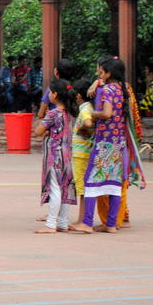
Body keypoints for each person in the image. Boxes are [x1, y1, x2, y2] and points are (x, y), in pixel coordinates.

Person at [71, 57, 131, 234]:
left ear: (108, 73)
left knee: (91, 180)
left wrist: (92, 113)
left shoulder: (106, 90)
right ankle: (111, 224)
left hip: (104, 142)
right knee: (113, 184)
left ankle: (87, 222)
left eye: (101, 71)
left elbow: (106, 113)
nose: (98, 73)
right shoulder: (122, 89)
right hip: (118, 142)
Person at [33, 79, 78, 233]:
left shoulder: (53, 113)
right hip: (66, 154)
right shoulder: (69, 113)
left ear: (55, 94)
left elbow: (38, 131)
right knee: (65, 186)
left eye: (50, 92)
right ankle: (63, 222)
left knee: (55, 188)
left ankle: (51, 223)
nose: (49, 95)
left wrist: (44, 128)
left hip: (54, 154)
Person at [70, 78, 95, 227]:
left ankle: (82, 220)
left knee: (82, 189)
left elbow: (88, 123)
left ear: (79, 96)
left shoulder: (85, 109)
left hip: (81, 155)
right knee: (83, 188)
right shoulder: (91, 107)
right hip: (86, 152)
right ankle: (82, 219)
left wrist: (81, 129)